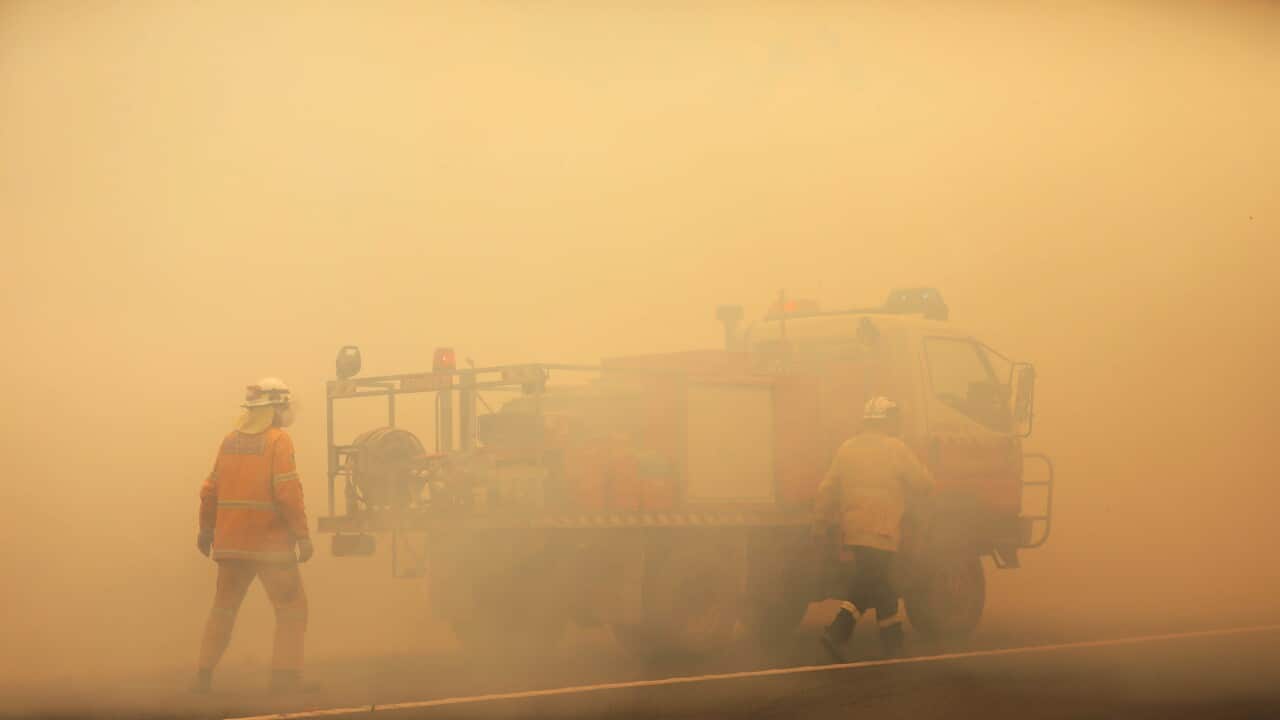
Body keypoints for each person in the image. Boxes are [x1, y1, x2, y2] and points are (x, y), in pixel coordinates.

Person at [193, 378, 314, 693]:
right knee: (292, 607)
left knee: (223, 608)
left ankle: (203, 677)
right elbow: (287, 492)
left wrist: (206, 530)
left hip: (230, 544)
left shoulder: (229, 441)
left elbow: (210, 490)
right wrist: (302, 536)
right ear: (274, 408)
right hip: (269, 545)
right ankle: (285, 680)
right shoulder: (278, 441)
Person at [812, 395, 933, 661]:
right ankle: (838, 631)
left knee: (879, 582)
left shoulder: (847, 448)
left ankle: (893, 643)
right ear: (887, 421)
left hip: (855, 529)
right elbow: (924, 483)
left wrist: (819, 522)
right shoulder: (896, 448)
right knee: (868, 582)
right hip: (883, 529)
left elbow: (827, 488)